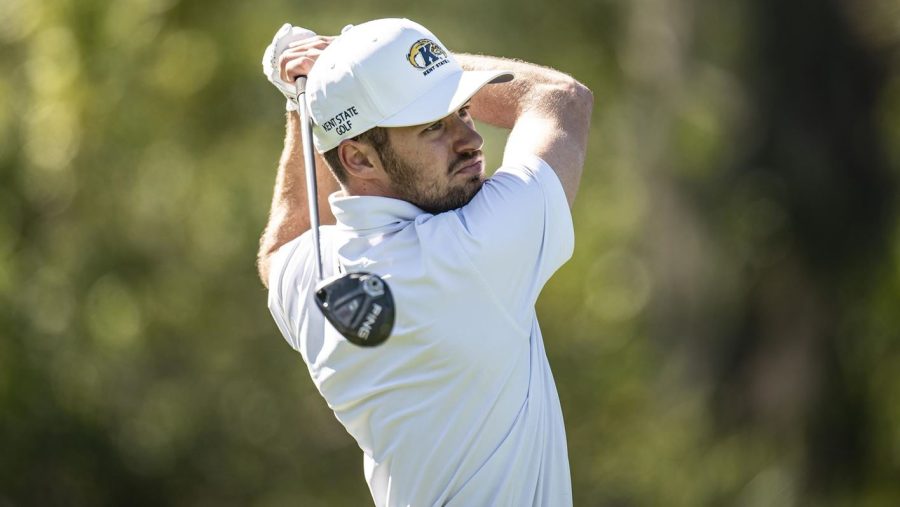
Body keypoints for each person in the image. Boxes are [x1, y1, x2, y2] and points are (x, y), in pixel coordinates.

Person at [257, 18, 592, 506]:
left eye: (463, 111)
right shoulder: (474, 249)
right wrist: (371, 67)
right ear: (359, 159)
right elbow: (560, 97)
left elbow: (281, 248)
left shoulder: (316, 276)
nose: (471, 140)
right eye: (434, 125)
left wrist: (311, 102)